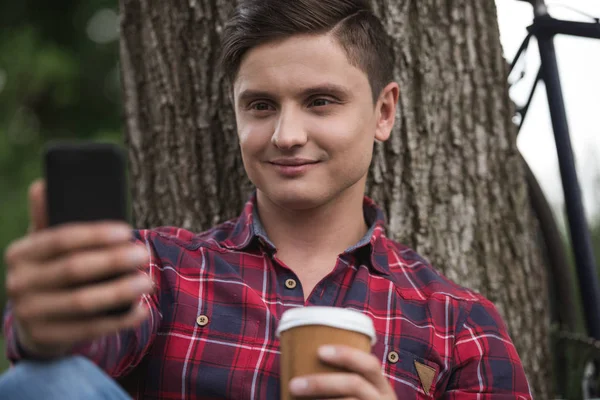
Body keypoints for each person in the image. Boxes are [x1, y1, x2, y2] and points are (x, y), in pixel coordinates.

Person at [0, 0, 532, 398]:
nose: (286, 134)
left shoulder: (460, 324)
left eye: (320, 101)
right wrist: (49, 327)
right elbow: (81, 351)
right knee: (42, 379)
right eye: (260, 105)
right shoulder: (159, 270)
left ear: (384, 112)